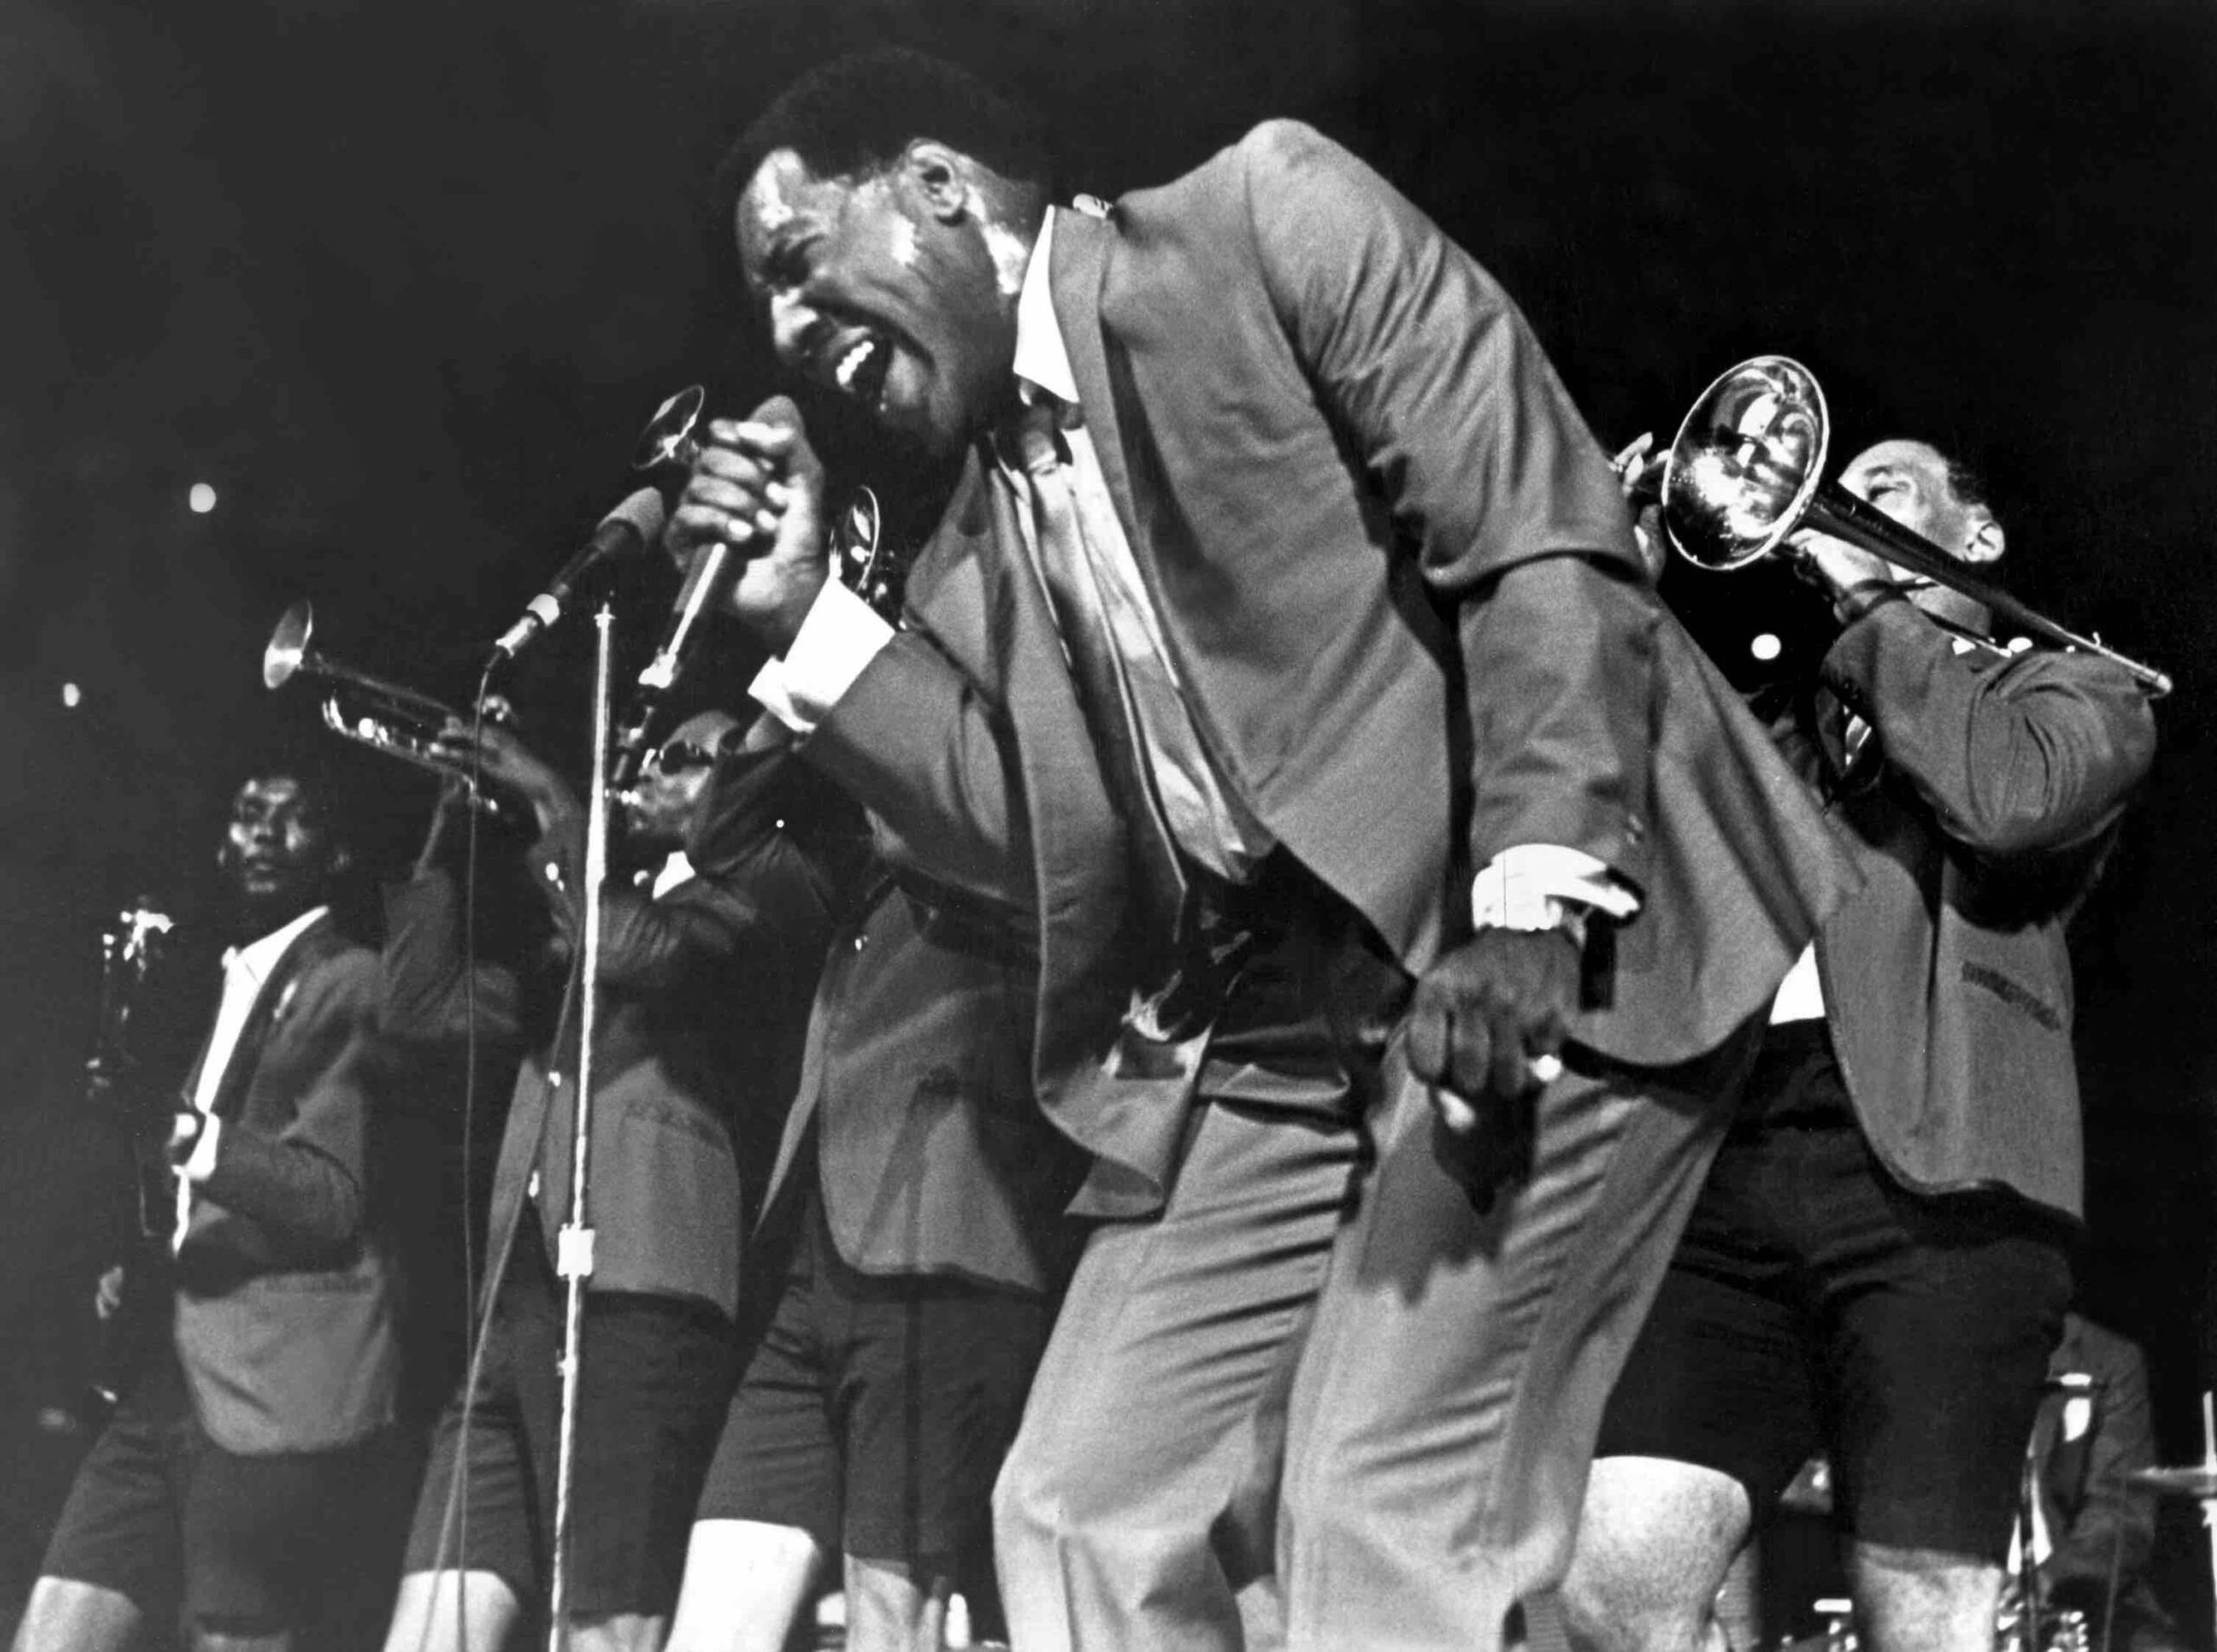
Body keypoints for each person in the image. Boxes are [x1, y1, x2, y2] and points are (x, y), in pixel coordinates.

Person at [668, 49, 1858, 1651]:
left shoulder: (1261, 220)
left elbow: (1537, 536)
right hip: (1284, 998)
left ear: (939, 187)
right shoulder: (981, 511)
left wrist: (1526, 901)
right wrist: (803, 617)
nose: (784, 334)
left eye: (797, 262)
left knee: (1375, 1511)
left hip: (1542, 927)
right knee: (1076, 1504)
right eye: (766, 305)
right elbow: (1038, 833)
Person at [1558, 439, 2160, 1652]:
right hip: (1729, 1165)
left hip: (1942, 1183)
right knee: (1610, 1586)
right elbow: (1623, 783)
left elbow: (2008, 800)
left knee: (1919, 1615)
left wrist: (1869, 599)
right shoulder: (1794, 718)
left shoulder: (2082, 688)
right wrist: (1615, 580)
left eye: (1881, 489)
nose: (1830, 500)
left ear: (1976, 539)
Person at [378, 709, 856, 1652]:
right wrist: (448, 825)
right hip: (515, 1298)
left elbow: (631, 949)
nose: (649, 768)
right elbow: (420, 1006)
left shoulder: (754, 906)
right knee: (427, 1634)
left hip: (637, 1298)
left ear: (742, 787)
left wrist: (553, 799)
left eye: (683, 758)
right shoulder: (594, 906)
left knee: (603, 1631)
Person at [16, 763, 413, 1652]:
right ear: (221, 845)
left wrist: (187, 1132)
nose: (263, 832)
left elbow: (332, 1198)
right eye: (246, 814)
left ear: (336, 853)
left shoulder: (352, 978)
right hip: (167, 1373)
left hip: (267, 1385)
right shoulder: (230, 975)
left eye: (293, 816)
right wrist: (151, 1259)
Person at [663, 836, 1087, 1652]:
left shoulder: (1003, 819)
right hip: (814, 1252)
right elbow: (730, 828)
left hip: (939, 1245)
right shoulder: (854, 858)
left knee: (891, 1620)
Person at [2023, 1313, 2193, 1652]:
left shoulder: (2107, 1358)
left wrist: (2043, 1589)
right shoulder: (1929, 1343)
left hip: (2067, 1586)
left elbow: (2119, 1518)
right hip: (1953, 1582)